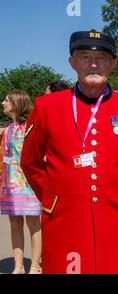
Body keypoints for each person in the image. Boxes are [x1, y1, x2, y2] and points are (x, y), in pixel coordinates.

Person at [20, 30, 118, 274]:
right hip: (65, 221)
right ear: (71, 61)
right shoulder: (46, 107)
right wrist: (56, 198)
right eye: (84, 56)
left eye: (102, 57)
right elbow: (30, 162)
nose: (94, 64)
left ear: (113, 63)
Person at [0, 90, 42, 274]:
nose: (3, 103)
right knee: (15, 224)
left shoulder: (31, 126)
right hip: (9, 186)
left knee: (34, 224)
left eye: (6, 100)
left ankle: (34, 265)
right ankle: (18, 266)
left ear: (17, 103)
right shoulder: (7, 128)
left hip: (29, 185)